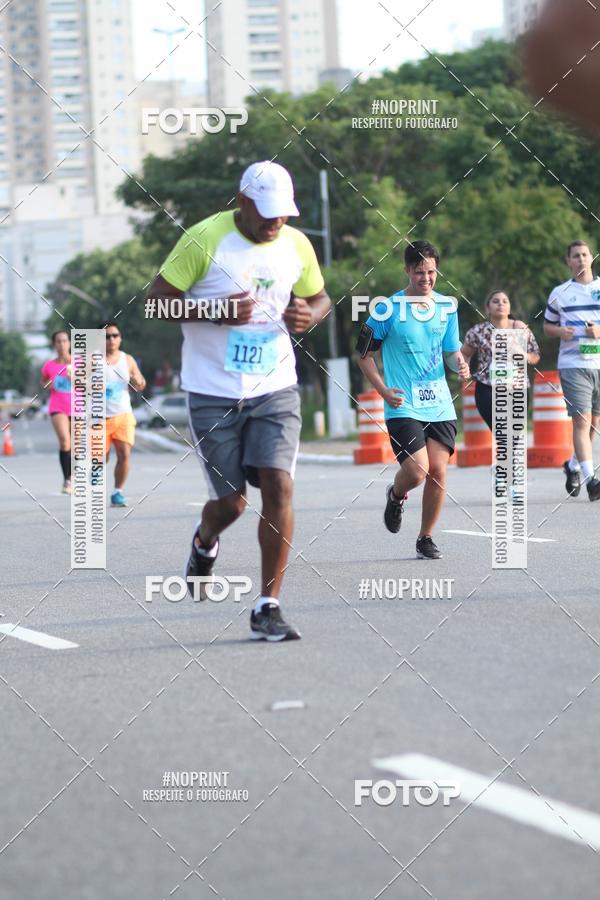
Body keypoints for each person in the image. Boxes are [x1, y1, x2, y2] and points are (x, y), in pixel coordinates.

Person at [146, 160, 331, 641]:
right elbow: (155, 302)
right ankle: (205, 541)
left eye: (283, 213)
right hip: (212, 391)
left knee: (280, 486)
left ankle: (268, 604)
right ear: (242, 202)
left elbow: (322, 297)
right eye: (267, 211)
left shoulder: (296, 243)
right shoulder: (205, 239)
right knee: (231, 504)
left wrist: (310, 313)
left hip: (275, 387)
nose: (276, 221)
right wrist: (214, 310)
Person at [356, 240, 470, 560]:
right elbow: (363, 356)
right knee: (418, 471)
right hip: (402, 402)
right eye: (419, 272)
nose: (426, 278)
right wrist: (382, 390)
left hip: (439, 401)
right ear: (407, 270)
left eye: (431, 272)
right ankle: (396, 494)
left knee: (439, 471)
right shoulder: (387, 309)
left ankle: (425, 537)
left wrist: (459, 365)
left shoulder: (447, 307)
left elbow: (450, 352)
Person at [544, 241, 600, 501]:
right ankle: (591, 480)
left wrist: (597, 332)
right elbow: (547, 327)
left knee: (594, 424)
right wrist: (560, 331)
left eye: (584, 255)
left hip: (598, 362)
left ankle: (574, 465)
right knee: (581, 420)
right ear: (568, 261)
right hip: (572, 364)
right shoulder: (560, 292)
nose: (581, 259)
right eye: (575, 256)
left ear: (592, 257)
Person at [461, 290, 540, 431]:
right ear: (488, 308)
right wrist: (464, 371)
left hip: (517, 388)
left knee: (514, 436)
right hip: (487, 387)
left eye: (505, 301)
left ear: (509, 307)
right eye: (496, 301)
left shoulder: (519, 327)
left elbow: (535, 356)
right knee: (503, 433)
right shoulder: (478, 331)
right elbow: (465, 354)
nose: (500, 305)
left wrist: (524, 355)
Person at [103, 322, 146, 507]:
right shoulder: (91, 359)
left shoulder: (127, 359)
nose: (111, 339)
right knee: (99, 459)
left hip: (123, 414)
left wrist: (138, 380)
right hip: (98, 417)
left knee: (124, 454)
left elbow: (141, 383)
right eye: (107, 336)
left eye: (115, 335)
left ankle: (117, 492)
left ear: (120, 338)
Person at [40, 330, 73, 493]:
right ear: (54, 344)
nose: (62, 344)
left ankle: (74, 476)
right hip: (58, 407)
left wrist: (76, 378)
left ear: (69, 343)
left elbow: (90, 383)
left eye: (64, 341)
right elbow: (44, 382)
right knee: (65, 442)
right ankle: (67, 480)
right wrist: (49, 385)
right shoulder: (49, 365)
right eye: (58, 341)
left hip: (78, 408)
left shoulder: (79, 362)